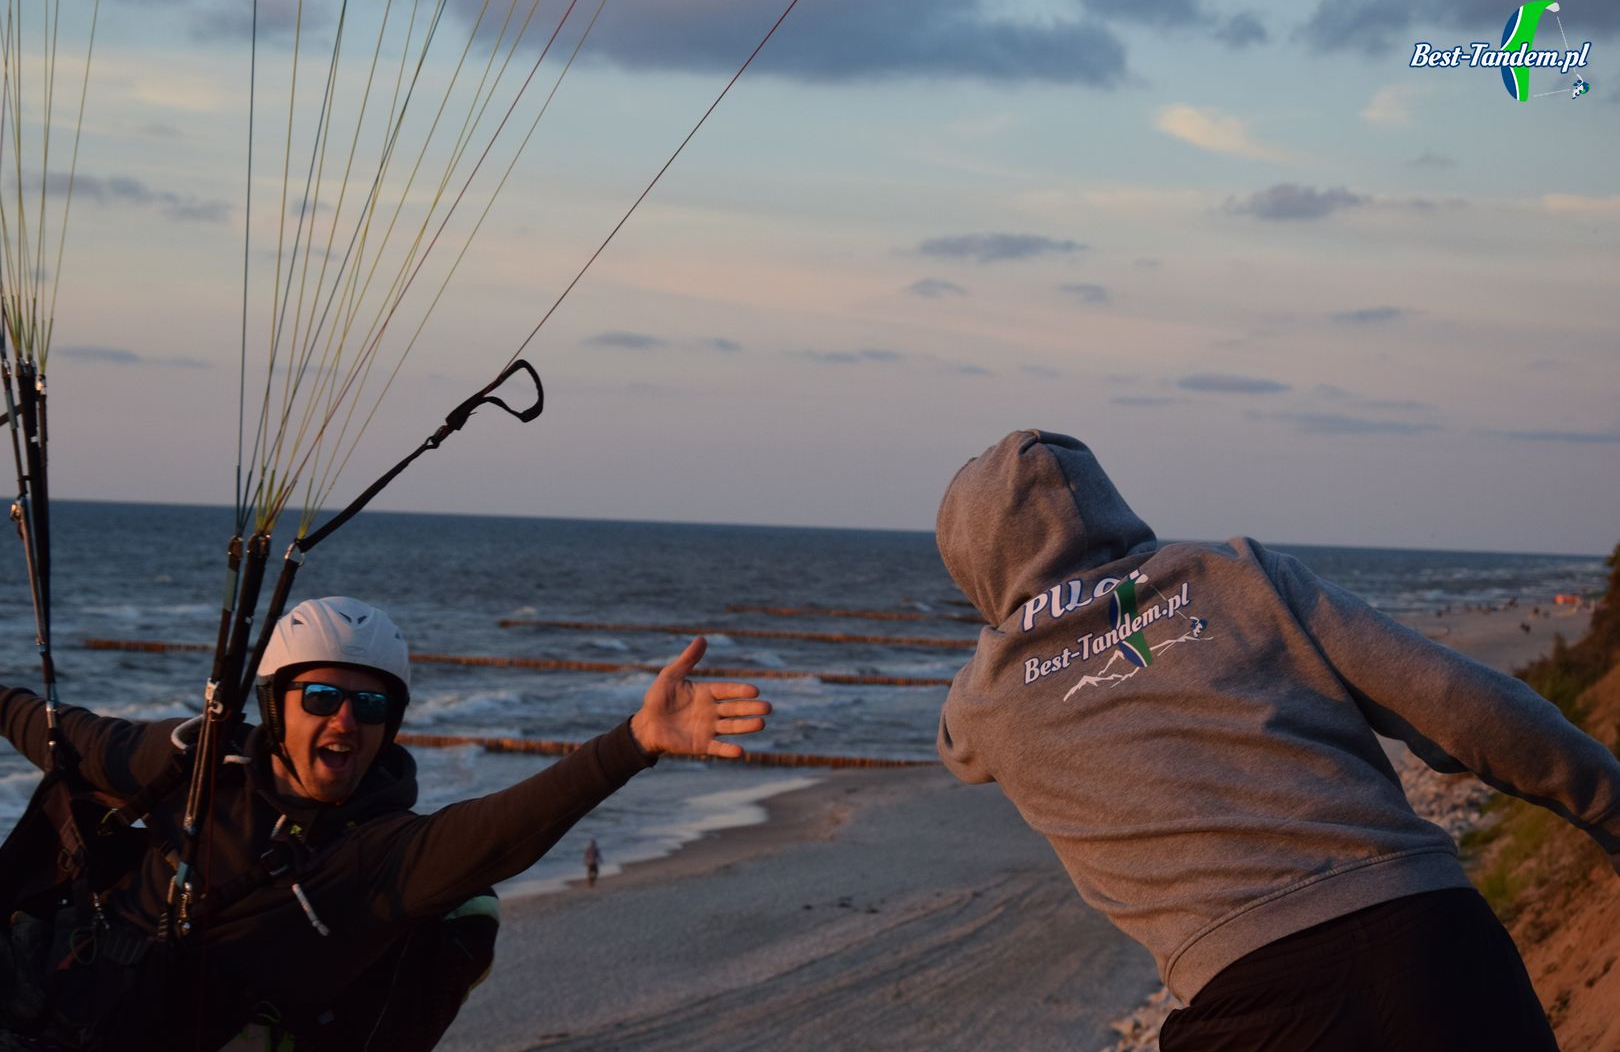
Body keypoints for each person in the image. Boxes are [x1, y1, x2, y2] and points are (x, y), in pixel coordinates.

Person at [934, 430, 1620, 1051]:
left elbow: (956, 752)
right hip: (1432, 941)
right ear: (1109, 505)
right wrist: (1608, 804)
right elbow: (1458, 701)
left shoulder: (985, 699)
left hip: (1251, 1006)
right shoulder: (1239, 572)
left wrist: (1024, 638)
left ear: (973, 566)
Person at [0, 596, 769, 1050]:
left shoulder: (379, 854)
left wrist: (632, 744)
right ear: (275, 706)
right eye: (321, 698)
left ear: (390, 724)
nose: (345, 720)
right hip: (59, 1003)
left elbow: (504, 829)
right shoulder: (193, 761)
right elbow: (68, 737)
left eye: (369, 705)